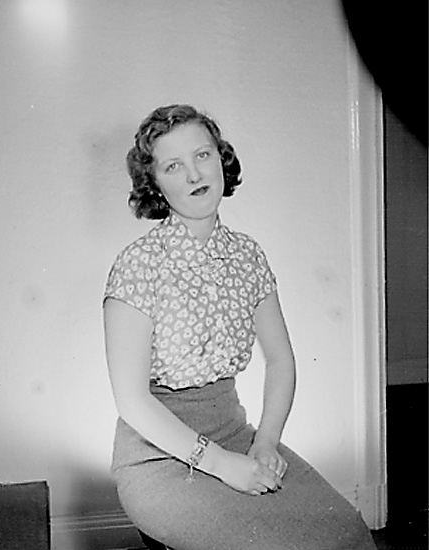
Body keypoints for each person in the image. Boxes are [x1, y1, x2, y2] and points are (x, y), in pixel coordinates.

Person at [103, 104, 377, 550]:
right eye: (174, 166)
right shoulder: (138, 266)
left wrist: (265, 443)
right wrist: (220, 464)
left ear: (221, 159)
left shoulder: (248, 256)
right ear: (154, 183)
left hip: (237, 437)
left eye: (203, 155)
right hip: (158, 457)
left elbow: (281, 360)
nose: (195, 174)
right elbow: (132, 401)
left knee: (347, 533)